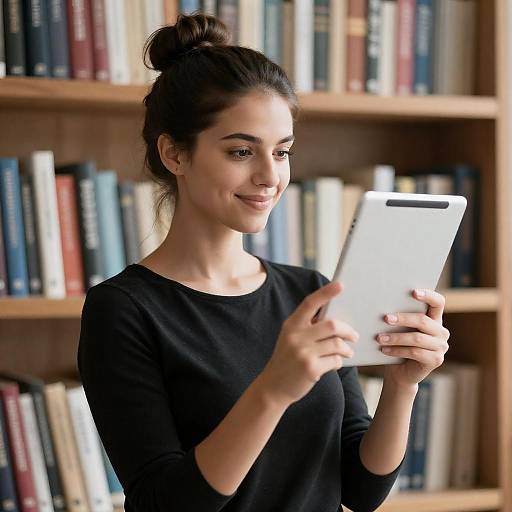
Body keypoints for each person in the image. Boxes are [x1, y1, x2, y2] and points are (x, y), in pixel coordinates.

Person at [77, 12, 451, 512]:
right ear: (174, 154)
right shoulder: (122, 310)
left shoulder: (311, 293)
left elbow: (362, 490)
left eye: (282, 151)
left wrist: (403, 385)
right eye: (240, 151)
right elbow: (163, 502)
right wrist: (272, 390)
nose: (269, 176)